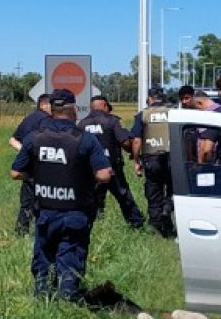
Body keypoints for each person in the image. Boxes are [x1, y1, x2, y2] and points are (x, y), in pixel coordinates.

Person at [10, 89, 112, 301]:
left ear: (51, 110)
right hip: (75, 212)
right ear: (73, 109)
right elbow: (103, 175)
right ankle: (68, 300)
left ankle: (43, 298)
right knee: (70, 258)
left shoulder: (35, 138)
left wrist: (39, 174)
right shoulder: (85, 139)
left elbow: (16, 173)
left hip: (45, 212)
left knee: (43, 257)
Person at [77, 95, 145, 228]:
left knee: (92, 197)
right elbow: (125, 141)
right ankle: (136, 224)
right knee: (123, 195)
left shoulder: (81, 124)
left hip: (91, 170)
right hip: (112, 167)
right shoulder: (112, 121)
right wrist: (132, 152)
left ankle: (91, 224)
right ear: (104, 106)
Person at [131, 87, 175, 237]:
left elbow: (137, 141)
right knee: (172, 189)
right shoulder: (173, 113)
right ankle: (167, 209)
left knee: (153, 192)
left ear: (150, 98)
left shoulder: (143, 115)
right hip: (172, 158)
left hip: (151, 158)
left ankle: (157, 229)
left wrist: (136, 161)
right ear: (163, 98)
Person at [9, 93, 51, 236]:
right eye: (51, 104)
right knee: (45, 202)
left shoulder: (28, 119)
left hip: (27, 168)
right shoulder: (47, 120)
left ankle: (21, 233)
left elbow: (12, 140)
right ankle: (41, 233)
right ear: (43, 104)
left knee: (26, 203)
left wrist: (25, 152)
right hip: (43, 166)